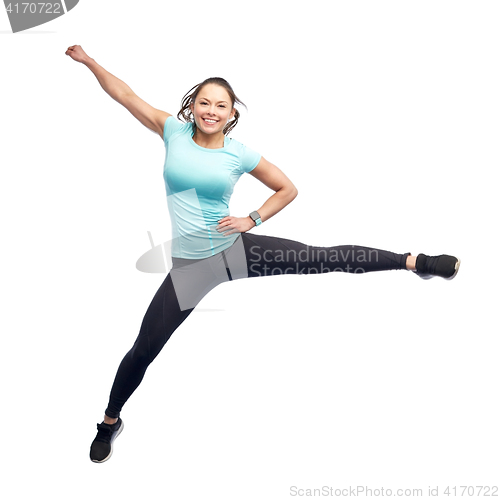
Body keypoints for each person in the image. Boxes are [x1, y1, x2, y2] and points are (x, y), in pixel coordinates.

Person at [65, 45, 460, 463]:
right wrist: (90, 62)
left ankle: (414, 262)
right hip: (191, 268)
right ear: (192, 105)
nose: (211, 111)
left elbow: (287, 188)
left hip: (236, 250)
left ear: (232, 113)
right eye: (204, 102)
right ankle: (110, 422)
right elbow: (125, 95)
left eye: (221, 105)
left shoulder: (240, 153)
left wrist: (252, 219)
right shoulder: (171, 132)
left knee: (323, 258)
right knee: (145, 348)